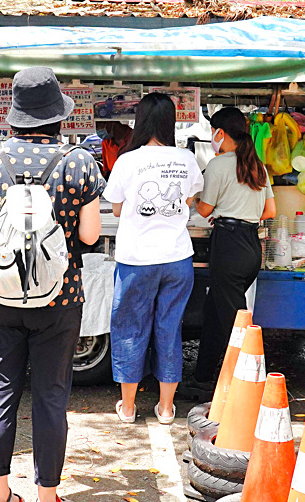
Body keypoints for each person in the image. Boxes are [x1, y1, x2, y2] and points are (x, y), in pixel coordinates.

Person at [0, 67, 104, 502]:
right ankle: (48, 495)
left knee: (1, 389)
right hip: (60, 298)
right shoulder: (79, 160)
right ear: (57, 116)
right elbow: (89, 236)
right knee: (50, 395)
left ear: (16, 115)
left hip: (1, 296)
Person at [102, 93, 203, 425]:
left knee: (130, 327)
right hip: (177, 257)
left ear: (140, 121)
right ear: (171, 122)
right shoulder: (186, 159)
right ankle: (164, 408)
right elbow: (189, 199)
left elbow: (116, 208)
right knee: (169, 328)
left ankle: (128, 407)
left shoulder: (128, 161)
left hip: (136, 259)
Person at [184, 107, 276, 397]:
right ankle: (201, 379)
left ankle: (248, 385)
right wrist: (239, 211)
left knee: (236, 323)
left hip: (229, 246)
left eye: (213, 132)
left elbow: (205, 209)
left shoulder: (219, 164)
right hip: (250, 247)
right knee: (216, 314)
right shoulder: (257, 165)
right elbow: (270, 211)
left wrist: (200, 199)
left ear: (220, 133)